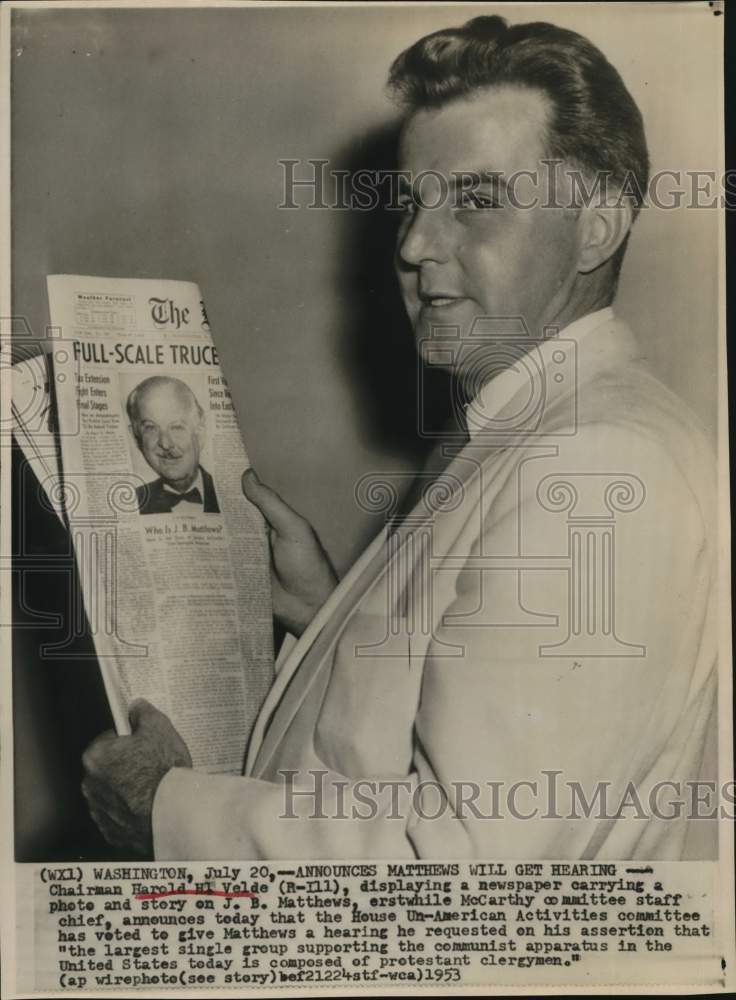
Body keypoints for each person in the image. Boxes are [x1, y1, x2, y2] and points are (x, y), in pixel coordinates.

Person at [82, 16, 717, 860]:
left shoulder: (596, 462)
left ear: (598, 225)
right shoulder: (535, 424)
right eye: (413, 204)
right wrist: (330, 612)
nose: (415, 245)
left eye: (477, 201)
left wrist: (170, 809)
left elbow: (457, 869)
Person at [126, 375, 220, 515]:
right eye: (151, 428)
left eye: (176, 427)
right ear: (135, 436)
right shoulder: (131, 503)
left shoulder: (230, 492)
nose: (165, 443)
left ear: (200, 431)